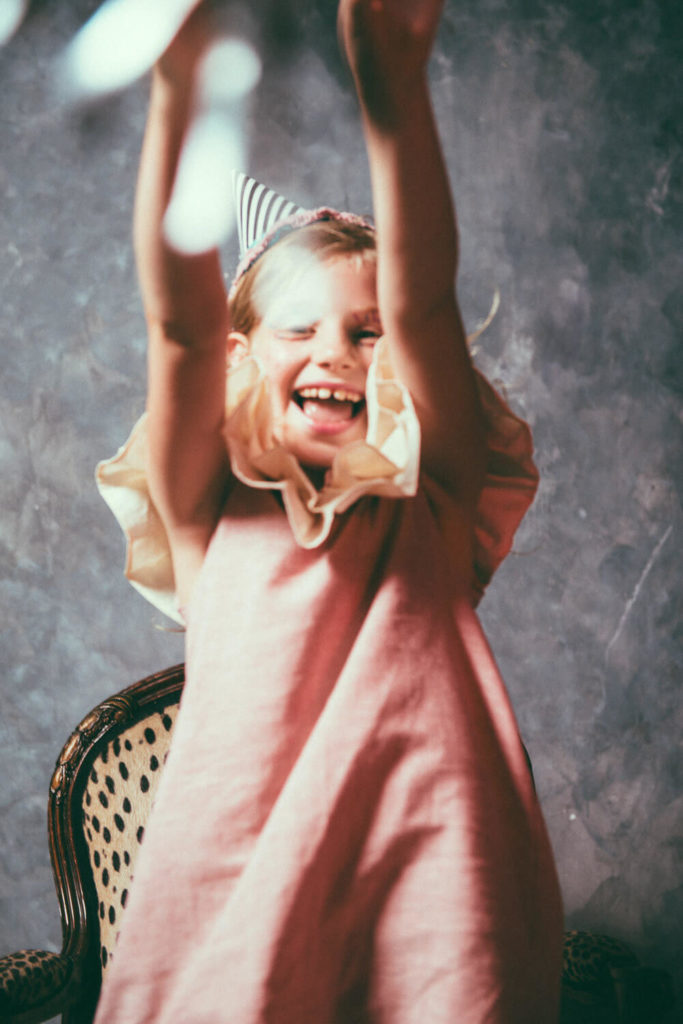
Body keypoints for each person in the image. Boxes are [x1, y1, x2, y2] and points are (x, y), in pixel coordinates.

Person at [94, 0, 563, 1020]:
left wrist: (394, 100)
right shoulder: (205, 502)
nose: (334, 353)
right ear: (240, 362)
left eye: (364, 333)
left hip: (429, 878)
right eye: (299, 327)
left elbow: (426, 298)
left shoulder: (429, 490)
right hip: (236, 884)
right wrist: (180, 95)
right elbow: (175, 323)